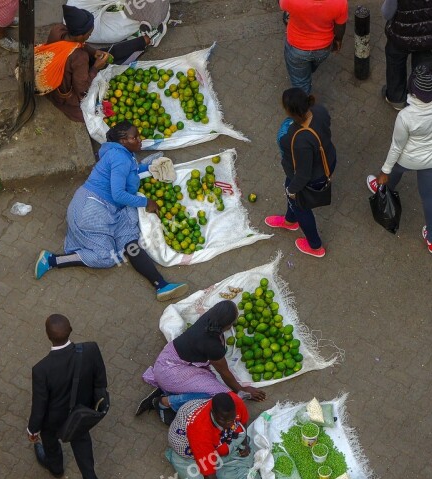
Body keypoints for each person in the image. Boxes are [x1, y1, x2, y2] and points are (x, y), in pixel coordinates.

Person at [34, 121, 188, 302]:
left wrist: (149, 167)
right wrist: (147, 201)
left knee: (130, 241)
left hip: (110, 209)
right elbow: (118, 194)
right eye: (135, 137)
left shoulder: (122, 153)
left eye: (138, 135)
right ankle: (52, 260)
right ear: (123, 141)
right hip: (90, 211)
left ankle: (161, 285)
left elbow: (128, 173)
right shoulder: (120, 158)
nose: (140, 140)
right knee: (106, 258)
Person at [165, 393, 311, 479]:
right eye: (224, 421)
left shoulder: (234, 401)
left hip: (217, 441)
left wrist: (245, 443)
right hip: (188, 454)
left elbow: (242, 421)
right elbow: (209, 475)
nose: (230, 423)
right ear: (213, 414)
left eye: (231, 418)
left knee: (247, 473)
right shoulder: (200, 432)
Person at [367, 66, 432, 255]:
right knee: (429, 195)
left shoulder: (405, 116)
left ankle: (383, 187)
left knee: (395, 170)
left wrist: (384, 171)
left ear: (412, 91)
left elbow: (396, 147)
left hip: (409, 158)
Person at [136, 301, 267, 424]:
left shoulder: (208, 318)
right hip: (171, 371)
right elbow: (224, 373)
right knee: (220, 398)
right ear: (227, 326)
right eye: (233, 322)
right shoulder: (213, 346)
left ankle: (168, 390)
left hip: (166, 361)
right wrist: (241, 390)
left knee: (211, 384)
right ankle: (164, 402)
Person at [27, 314, 108, 479]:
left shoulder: (41, 369)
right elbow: (100, 382)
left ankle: (55, 468)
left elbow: (39, 405)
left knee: (50, 442)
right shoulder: (91, 349)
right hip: (80, 414)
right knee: (82, 444)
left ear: (47, 336)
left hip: (52, 420)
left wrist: (32, 429)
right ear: (71, 329)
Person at [43, 5, 166, 122]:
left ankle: (143, 41)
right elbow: (82, 89)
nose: (91, 34)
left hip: (56, 75)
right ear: (79, 35)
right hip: (67, 94)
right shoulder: (79, 58)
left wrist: (94, 51)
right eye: (89, 33)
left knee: (107, 53)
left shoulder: (58, 30)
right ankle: (146, 41)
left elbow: (76, 45)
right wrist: (96, 67)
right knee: (112, 65)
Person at [265, 88, 336, 258]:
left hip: (312, 177)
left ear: (290, 111)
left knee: (300, 205)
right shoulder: (319, 110)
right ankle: (290, 221)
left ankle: (315, 246)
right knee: (292, 196)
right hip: (329, 158)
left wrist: (292, 190)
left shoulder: (298, 138)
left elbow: (303, 175)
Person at [381, 0, 432, 110]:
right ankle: (418, 98)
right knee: (424, 67)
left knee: (395, 61)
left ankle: (396, 99)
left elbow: (387, 13)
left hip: (401, 35)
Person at [278, 0, 348, 95]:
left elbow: (282, 6)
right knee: (312, 65)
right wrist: (338, 41)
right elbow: (340, 28)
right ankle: (307, 70)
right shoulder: (340, 2)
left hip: (296, 49)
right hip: (323, 49)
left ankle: (303, 107)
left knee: (300, 83)